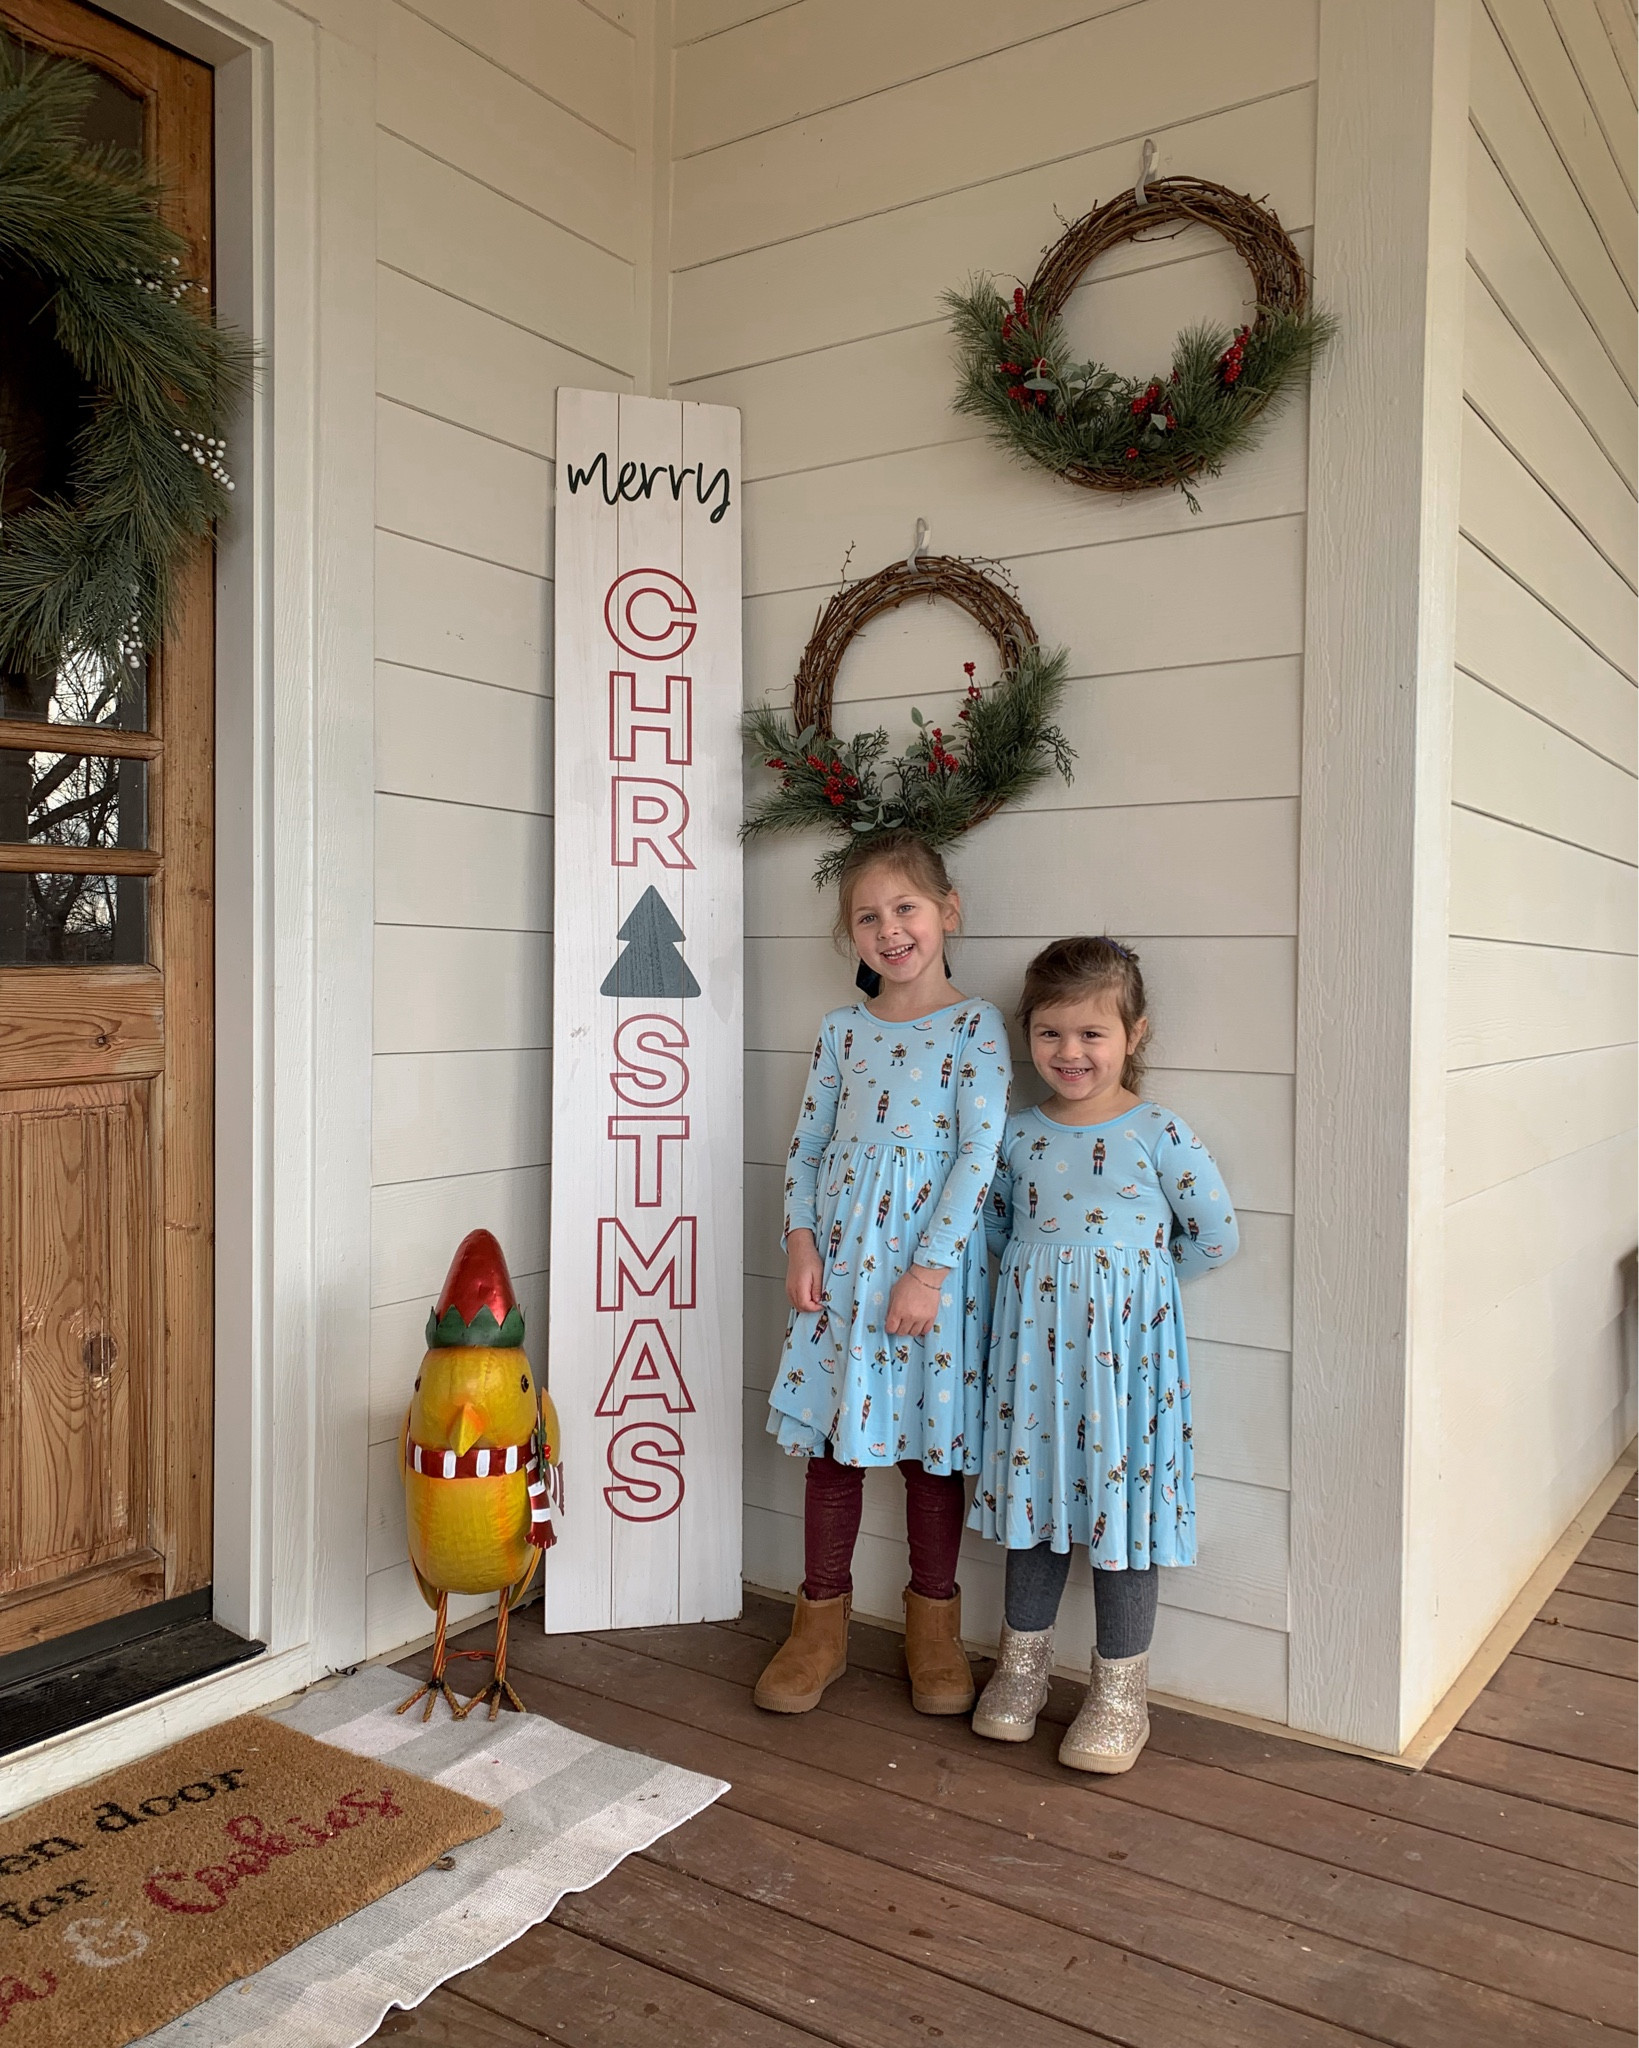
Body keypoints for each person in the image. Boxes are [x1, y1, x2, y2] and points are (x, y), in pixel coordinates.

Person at [754, 830, 1009, 1718]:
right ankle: (817, 1628)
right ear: (849, 935)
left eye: (905, 908)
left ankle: (932, 1632)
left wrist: (928, 1275)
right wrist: (798, 1240)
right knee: (833, 1449)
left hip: (923, 1283)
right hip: (840, 1275)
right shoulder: (840, 1032)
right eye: (867, 916)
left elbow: (978, 1154)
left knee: (929, 1458)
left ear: (947, 912)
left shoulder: (974, 1027)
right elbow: (808, 1146)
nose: (889, 929)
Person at [970, 936, 1238, 1771]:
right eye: (1050, 1033)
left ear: (1134, 1034)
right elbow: (993, 1234)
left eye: (1091, 1034)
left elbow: (1213, 1237)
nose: (1069, 1052)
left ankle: (1120, 1692)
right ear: (1028, 1035)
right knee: (1035, 1513)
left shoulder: (1156, 1130)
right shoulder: (1015, 1134)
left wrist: (1134, 1295)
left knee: (1125, 1524)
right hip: (1032, 1370)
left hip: (1128, 1370)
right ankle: (1022, 1668)